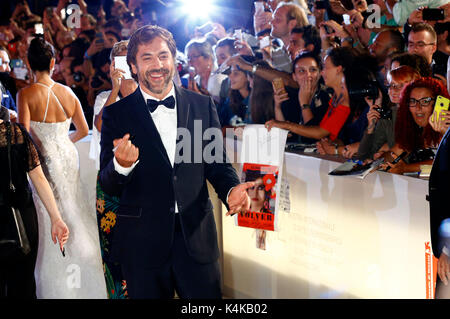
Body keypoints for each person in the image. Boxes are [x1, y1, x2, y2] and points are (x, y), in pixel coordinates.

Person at [99, 25, 254, 299]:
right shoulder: (116, 115)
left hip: (196, 238)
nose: (157, 65)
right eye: (147, 58)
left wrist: (231, 190)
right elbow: (108, 184)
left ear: (174, 60)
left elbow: (216, 163)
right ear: (133, 66)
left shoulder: (201, 106)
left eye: (163, 56)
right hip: (142, 243)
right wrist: (121, 165)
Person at [17, 37, 106, 298]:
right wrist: (61, 142)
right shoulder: (67, 92)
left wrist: (45, 145)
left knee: (50, 211)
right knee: (73, 203)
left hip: (43, 159)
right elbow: (82, 130)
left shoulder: (26, 93)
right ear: (54, 63)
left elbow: (23, 136)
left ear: (28, 63)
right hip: (67, 154)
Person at [0, 114, 69, 299]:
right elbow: (38, 177)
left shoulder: (17, 132)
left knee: (22, 284)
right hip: (22, 218)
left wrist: (57, 218)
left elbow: (39, 177)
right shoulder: (16, 132)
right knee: (22, 286)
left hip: (20, 220)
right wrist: (56, 218)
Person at [91, 40, 137, 299]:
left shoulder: (147, 94)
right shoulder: (102, 98)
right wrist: (116, 88)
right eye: (117, 60)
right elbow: (100, 125)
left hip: (140, 180)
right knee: (112, 246)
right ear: (111, 66)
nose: (122, 65)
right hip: (109, 181)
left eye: (126, 60)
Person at [381, 77, 448, 174]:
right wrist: (375, 162)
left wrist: (406, 168)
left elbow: (443, 162)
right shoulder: (415, 130)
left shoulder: (447, 127)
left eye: (425, 101)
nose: (418, 107)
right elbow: (394, 153)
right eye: (413, 101)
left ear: (437, 103)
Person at [358, 66, 421, 160]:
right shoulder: (389, 115)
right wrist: (371, 127)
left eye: (399, 86)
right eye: (390, 86)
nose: (392, 90)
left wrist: (383, 157)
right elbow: (363, 156)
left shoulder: (420, 114)